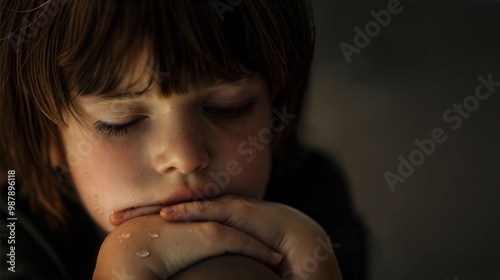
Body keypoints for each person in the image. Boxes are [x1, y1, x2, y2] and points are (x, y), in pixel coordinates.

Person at [0, 0, 367, 279]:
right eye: (121, 122)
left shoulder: (314, 200)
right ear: (47, 134)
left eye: (229, 106)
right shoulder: (13, 234)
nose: (184, 156)